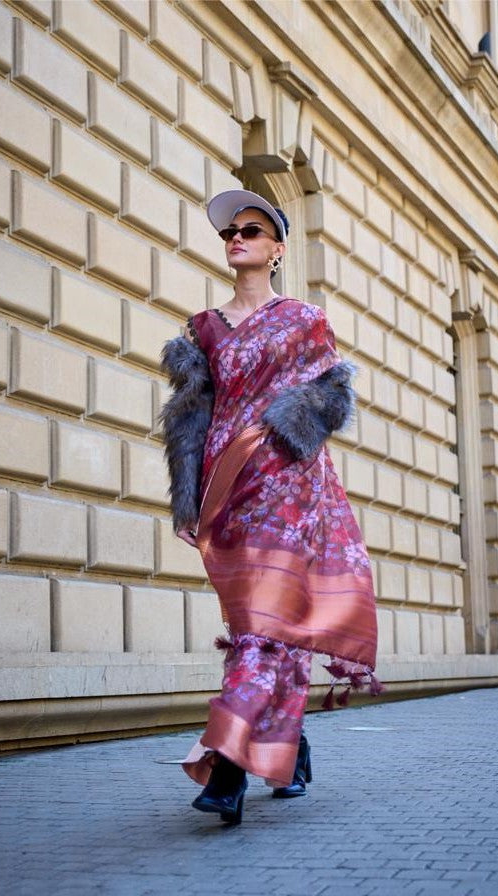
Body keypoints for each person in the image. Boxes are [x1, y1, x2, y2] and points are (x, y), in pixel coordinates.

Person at [160, 189, 381, 827]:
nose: (237, 237)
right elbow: (191, 418)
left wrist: (288, 429)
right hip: (227, 493)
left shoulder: (305, 319)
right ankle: (295, 746)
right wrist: (187, 493)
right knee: (264, 628)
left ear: (277, 249)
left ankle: (226, 770)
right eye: (231, 230)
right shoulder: (202, 328)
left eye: (251, 230)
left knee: (260, 631)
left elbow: (332, 394)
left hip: (287, 483)